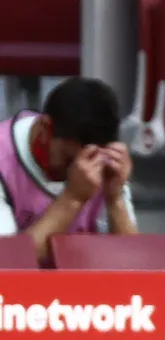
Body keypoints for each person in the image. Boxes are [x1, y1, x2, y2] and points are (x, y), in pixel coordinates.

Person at [0, 77, 137, 263]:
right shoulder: (4, 159)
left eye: (90, 160)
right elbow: (8, 261)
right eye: (69, 159)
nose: (82, 171)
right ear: (45, 128)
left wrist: (115, 198)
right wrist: (73, 199)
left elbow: (131, 262)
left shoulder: (102, 163)